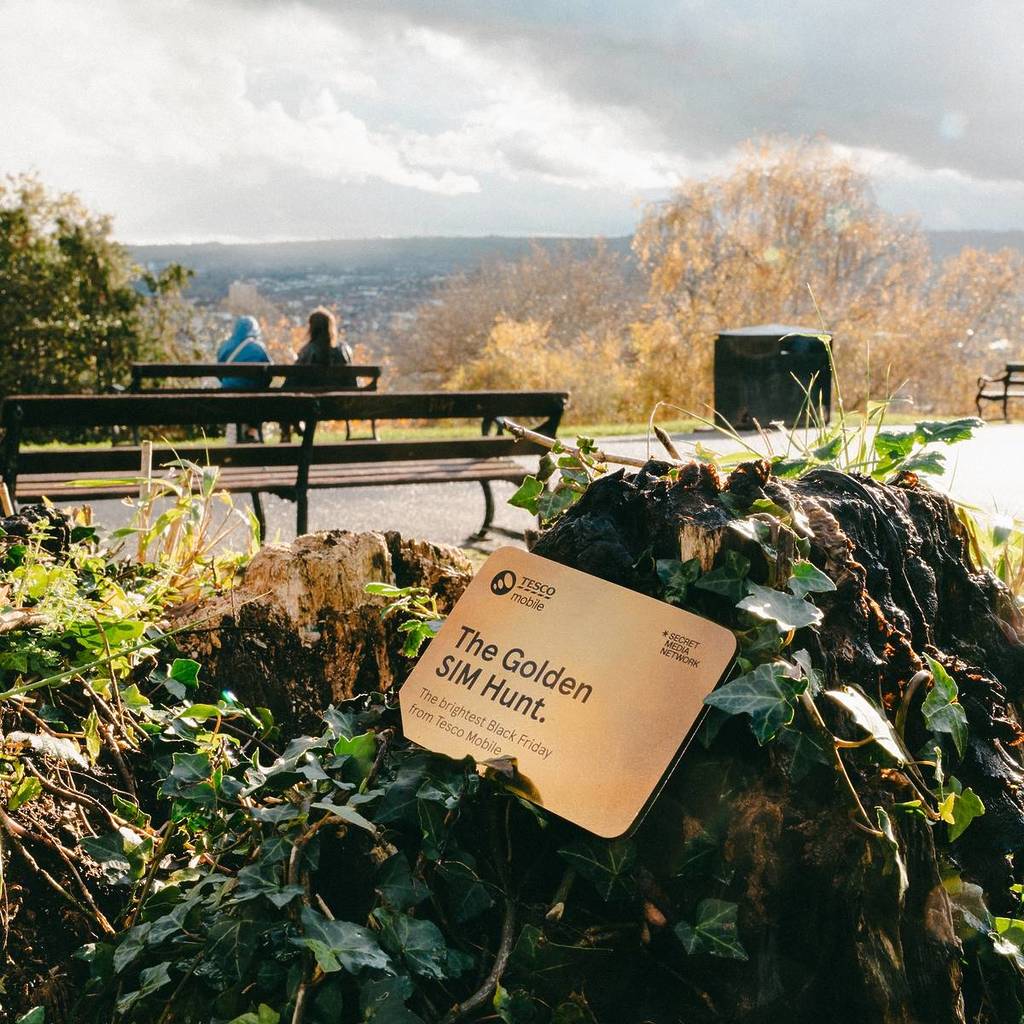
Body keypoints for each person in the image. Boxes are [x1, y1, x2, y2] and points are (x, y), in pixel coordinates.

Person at [217, 315, 271, 442]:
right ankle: (252, 431)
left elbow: (219, 372)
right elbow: (269, 374)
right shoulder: (258, 348)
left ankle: (236, 441)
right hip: (254, 400)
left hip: (229, 397)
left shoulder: (225, 347)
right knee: (257, 399)